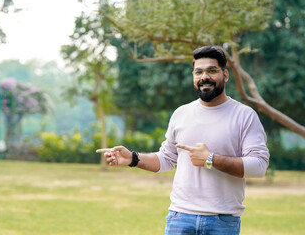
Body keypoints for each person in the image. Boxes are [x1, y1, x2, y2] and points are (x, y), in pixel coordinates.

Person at [96, 45, 270, 235]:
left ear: (225, 75)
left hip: (222, 221)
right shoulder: (181, 114)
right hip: (180, 218)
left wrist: (211, 159)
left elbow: (259, 165)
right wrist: (133, 159)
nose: (205, 77)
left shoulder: (244, 115)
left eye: (212, 71)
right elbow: (168, 158)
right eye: (199, 72)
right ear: (194, 77)